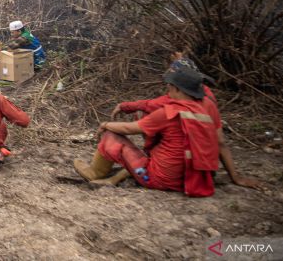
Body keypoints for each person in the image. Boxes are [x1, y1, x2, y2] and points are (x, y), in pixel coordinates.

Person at [109, 54, 262, 190]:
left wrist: (110, 119)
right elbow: (221, 142)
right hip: (201, 175)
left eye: (171, 82)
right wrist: (235, 177)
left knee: (138, 118)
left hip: (165, 177)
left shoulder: (170, 106)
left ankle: (148, 161)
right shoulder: (208, 100)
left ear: (178, 87)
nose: (168, 85)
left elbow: (136, 120)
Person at [74, 67, 220, 196]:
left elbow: (128, 128)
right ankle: (118, 176)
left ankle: (94, 172)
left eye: (170, 86)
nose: (168, 89)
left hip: (157, 179)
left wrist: (105, 124)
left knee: (111, 134)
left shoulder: (169, 113)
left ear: (177, 89)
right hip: (190, 181)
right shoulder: (204, 113)